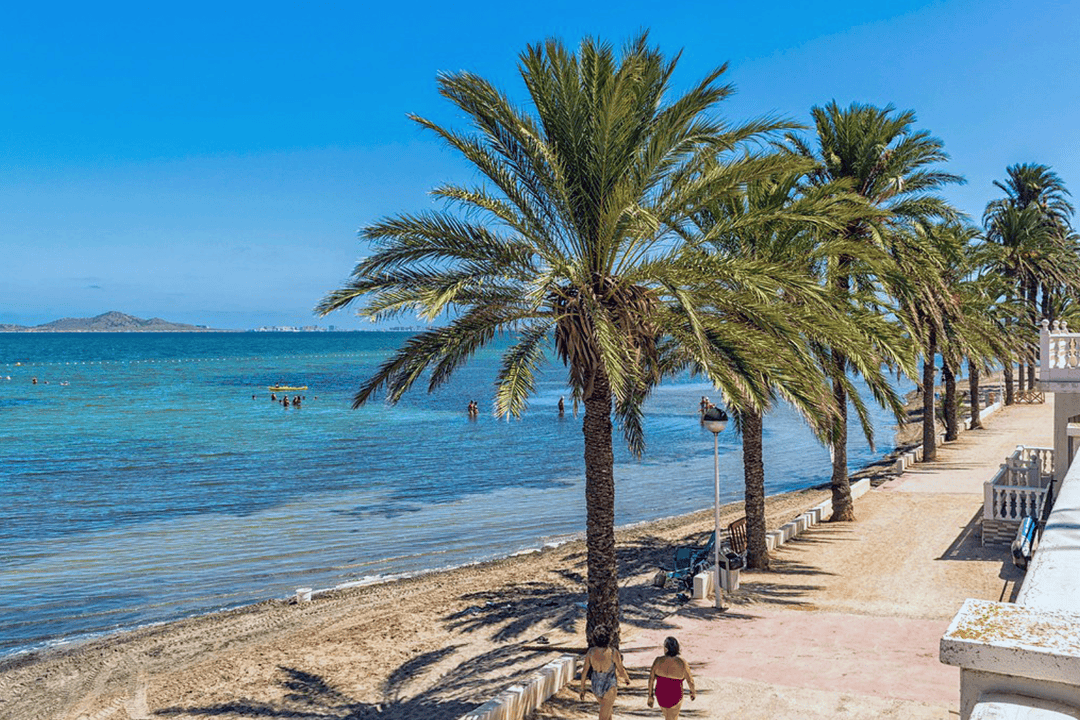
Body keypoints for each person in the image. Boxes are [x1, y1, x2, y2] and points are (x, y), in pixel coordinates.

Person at [578, 625, 630, 720]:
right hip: (609, 686)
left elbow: (585, 671)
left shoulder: (590, 652)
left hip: (596, 686)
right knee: (604, 716)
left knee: (607, 713)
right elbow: (621, 670)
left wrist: (582, 688)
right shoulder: (613, 652)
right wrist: (627, 679)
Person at [647, 637, 695, 719]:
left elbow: (651, 679)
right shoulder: (682, 662)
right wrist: (692, 692)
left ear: (666, 648)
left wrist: (650, 696)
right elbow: (690, 681)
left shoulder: (658, 661)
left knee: (667, 717)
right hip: (675, 695)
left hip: (661, 695)